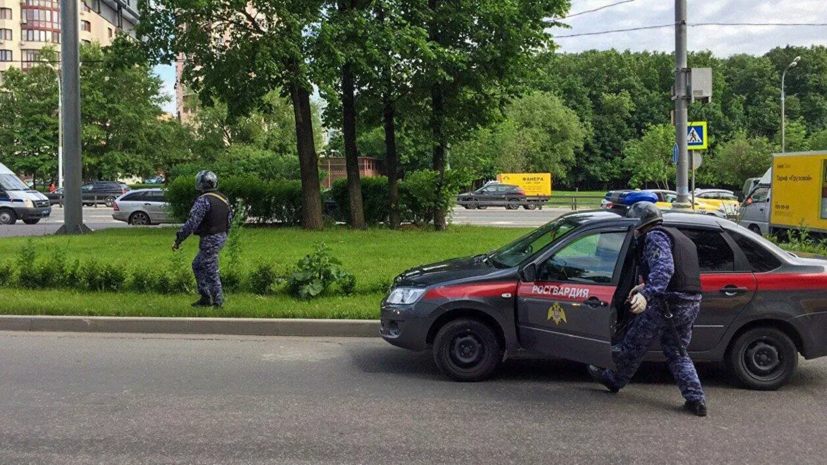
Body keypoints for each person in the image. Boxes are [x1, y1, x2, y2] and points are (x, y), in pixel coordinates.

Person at [588, 202, 708, 417]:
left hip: (666, 304)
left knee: (634, 343)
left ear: (640, 224)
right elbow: (678, 273)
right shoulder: (679, 237)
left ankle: (614, 380)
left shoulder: (654, 237)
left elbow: (665, 268)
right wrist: (645, 286)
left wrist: (646, 294)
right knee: (678, 351)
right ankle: (696, 399)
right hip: (690, 302)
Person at [172, 171, 232, 308]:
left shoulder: (203, 200)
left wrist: (179, 239)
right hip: (221, 236)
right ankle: (205, 296)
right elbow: (229, 220)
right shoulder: (223, 198)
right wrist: (223, 235)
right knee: (198, 265)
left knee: (211, 270)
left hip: (210, 238)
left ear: (200, 184)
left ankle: (218, 302)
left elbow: (192, 223)